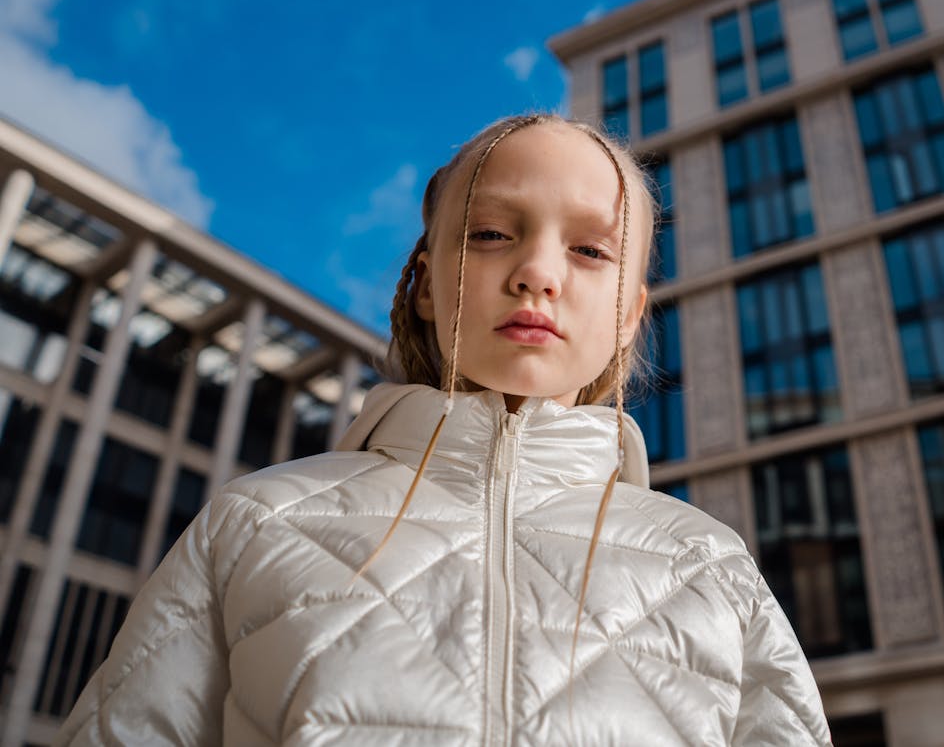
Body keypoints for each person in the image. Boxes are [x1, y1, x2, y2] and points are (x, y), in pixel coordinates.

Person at [55, 113, 832, 746]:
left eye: (591, 249)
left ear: (630, 316)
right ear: (424, 282)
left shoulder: (709, 566)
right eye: (493, 234)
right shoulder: (254, 524)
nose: (538, 271)